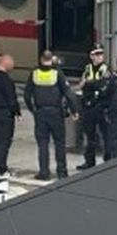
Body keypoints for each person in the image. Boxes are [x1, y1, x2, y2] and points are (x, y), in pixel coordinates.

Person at [24, 51, 79, 181]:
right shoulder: (57, 73)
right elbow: (69, 94)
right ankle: (62, 172)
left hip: (41, 113)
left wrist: (33, 110)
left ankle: (44, 172)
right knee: (59, 143)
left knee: (43, 143)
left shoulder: (35, 73)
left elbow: (27, 95)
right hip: (56, 113)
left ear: (41, 59)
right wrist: (74, 111)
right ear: (52, 60)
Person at [76, 46, 110, 171]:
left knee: (106, 135)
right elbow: (81, 84)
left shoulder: (106, 68)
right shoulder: (87, 68)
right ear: (91, 56)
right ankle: (89, 161)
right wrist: (91, 85)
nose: (100, 56)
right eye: (97, 54)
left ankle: (108, 160)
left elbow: (103, 85)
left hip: (101, 106)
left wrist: (89, 84)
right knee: (89, 135)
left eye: (101, 54)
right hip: (88, 105)